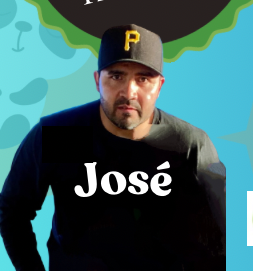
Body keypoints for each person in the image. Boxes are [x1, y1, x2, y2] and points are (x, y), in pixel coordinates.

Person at [0, 24, 225, 271]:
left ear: (159, 86)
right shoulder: (63, 135)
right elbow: (13, 211)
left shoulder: (187, 145)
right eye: (116, 76)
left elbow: (219, 235)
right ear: (98, 80)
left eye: (143, 79)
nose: (128, 92)